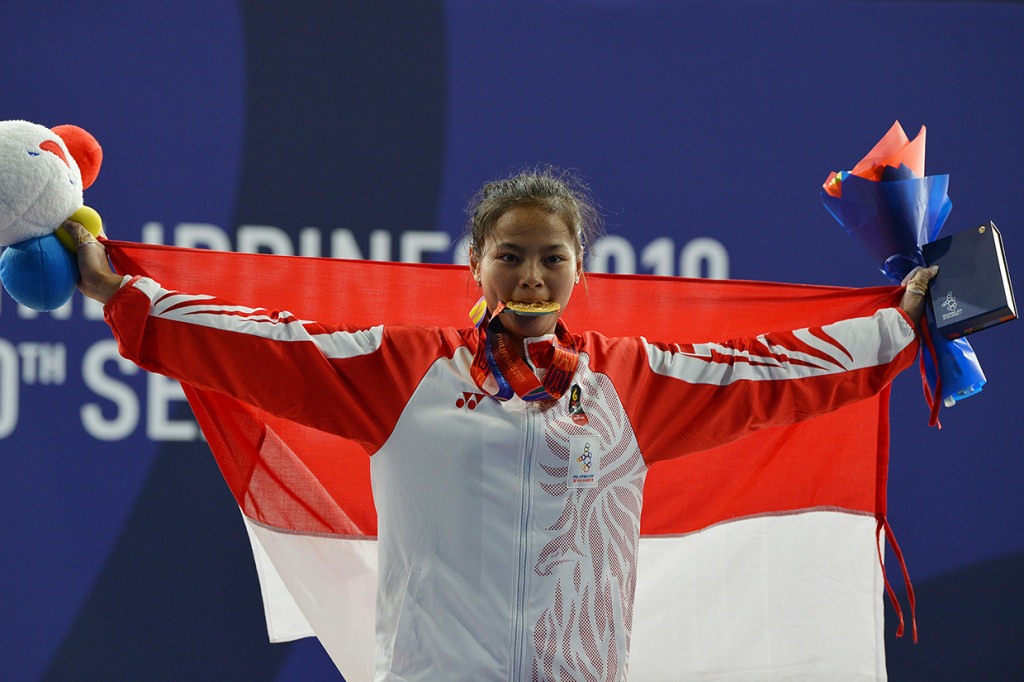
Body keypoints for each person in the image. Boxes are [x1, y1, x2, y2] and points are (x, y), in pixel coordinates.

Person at [69, 167, 936, 682]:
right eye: (510, 256)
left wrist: (897, 328)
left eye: (551, 259)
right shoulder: (402, 373)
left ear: (580, 270)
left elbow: (769, 374)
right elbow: (267, 346)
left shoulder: (629, 385)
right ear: (475, 265)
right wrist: (125, 295)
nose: (530, 277)